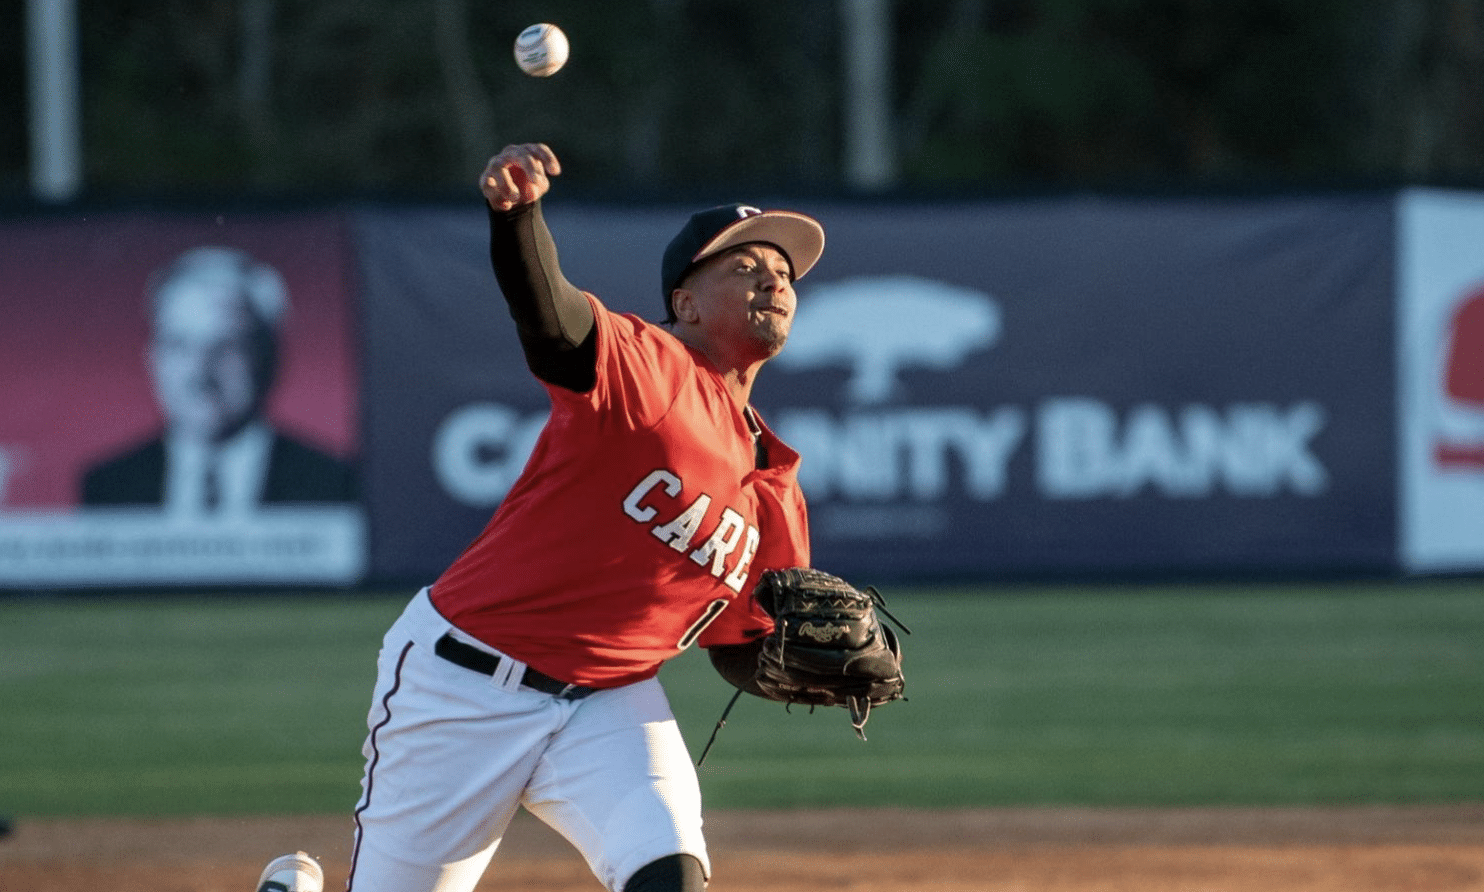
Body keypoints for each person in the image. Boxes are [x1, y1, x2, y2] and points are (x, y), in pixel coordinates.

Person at [257, 142, 825, 892]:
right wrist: (517, 216)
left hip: (610, 704)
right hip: (463, 684)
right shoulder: (651, 368)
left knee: (671, 878)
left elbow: (737, 645)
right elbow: (553, 324)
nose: (773, 280)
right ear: (685, 303)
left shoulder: (775, 485)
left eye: (783, 273)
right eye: (745, 267)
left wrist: (802, 672)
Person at [80, 246, 357, 512]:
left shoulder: (334, 481)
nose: (199, 372)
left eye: (225, 347)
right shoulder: (108, 485)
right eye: (179, 345)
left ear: (270, 359)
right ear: (153, 359)